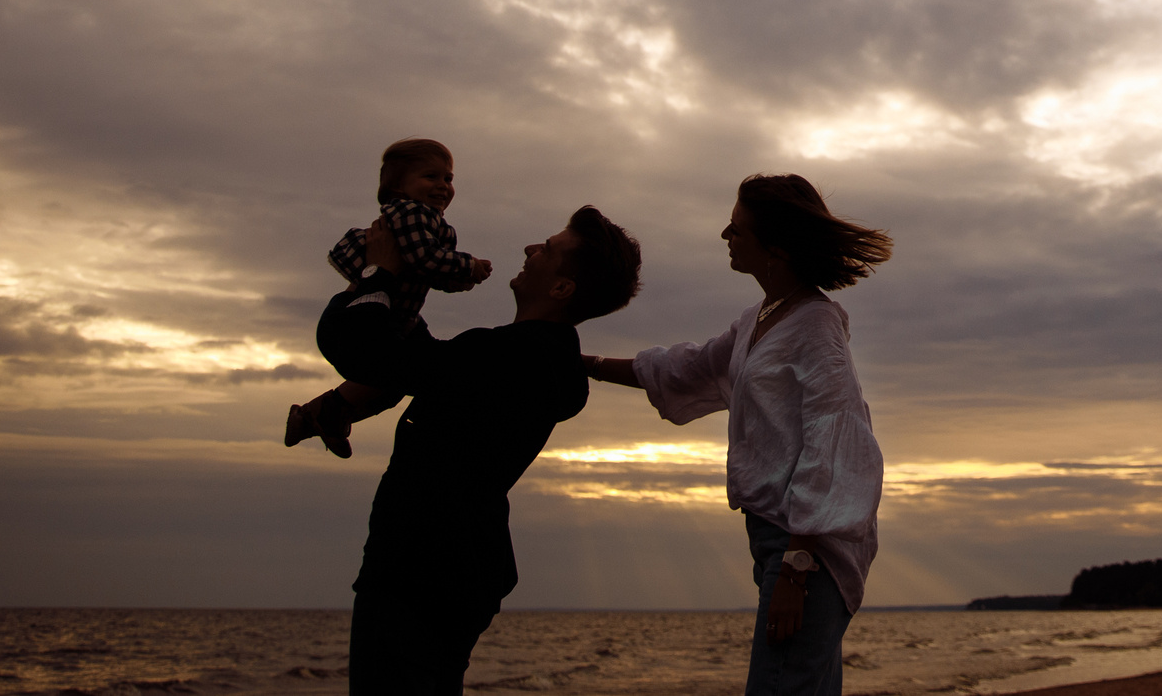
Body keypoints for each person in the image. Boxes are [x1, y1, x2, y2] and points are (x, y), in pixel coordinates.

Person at [585, 174, 890, 696]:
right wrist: (583, 363)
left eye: (738, 227)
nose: (725, 233)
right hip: (777, 542)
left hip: (805, 549)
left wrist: (797, 565)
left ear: (775, 245)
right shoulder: (759, 318)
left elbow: (834, 437)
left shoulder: (816, 325)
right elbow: (686, 367)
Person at [324, 202, 642, 696]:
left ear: (561, 288)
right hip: (454, 568)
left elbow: (371, 354)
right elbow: (421, 363)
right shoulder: (525, 356)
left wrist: (380, 272)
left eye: (549, 249)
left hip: (422, 570)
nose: (530, 248)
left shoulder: (514, 356)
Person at [287, 137, 494, 458]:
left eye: (448, 178)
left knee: (393, 389)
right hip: (354, 321)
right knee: (410, 375)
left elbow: (432, 273)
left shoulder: (438, 226)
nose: (443, 185)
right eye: (431, 176)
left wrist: (461, 280)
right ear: (398, 186)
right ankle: (325, 412)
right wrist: (468, 264)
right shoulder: (409, 213)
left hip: (395, 323)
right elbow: (423, 257)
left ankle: (323, 416)